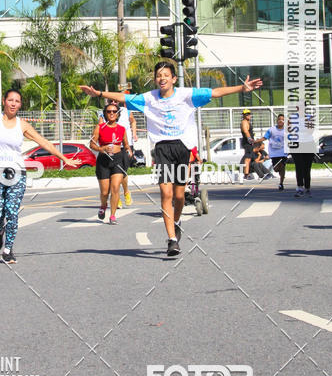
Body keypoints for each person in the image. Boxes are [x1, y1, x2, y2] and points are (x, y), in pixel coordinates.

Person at [81, 62, 262, 257]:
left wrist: (242, 88)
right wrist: (99, 94)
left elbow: (215, 92)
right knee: (165, 194)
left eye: (166, 74)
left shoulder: (187, 95)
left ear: (174, 79)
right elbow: (123, 97)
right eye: (159, 75)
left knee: (179, 197)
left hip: (181, 149)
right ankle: (172, 240)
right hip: (161, 150)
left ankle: (176, 222)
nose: (162, 78)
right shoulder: (148, 98)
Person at [0, 56, 80, 263]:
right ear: (4, 102)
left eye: (17, 101)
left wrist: (63, 158)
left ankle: (8, 250)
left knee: (12, 212)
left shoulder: (23, 125)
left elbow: (45, 143)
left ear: (20, 105)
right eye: (10, 100)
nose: (13, 103)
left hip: (16, 174)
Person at [90, 102, 132, 223]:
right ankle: (103, 206)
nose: (112, 114)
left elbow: (126, 144)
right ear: (105, 114)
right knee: (104, 192)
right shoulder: (100, 128)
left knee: (115, 188)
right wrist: (101, 149)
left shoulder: (122, 129)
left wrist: (129, 150)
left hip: (117, 160)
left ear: (118, 114)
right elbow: (92, 144)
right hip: (103, 161)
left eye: (114, 112)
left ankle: (112, 215)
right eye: (109, 112)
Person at [97, 105, 137, 206]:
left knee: (122, 172)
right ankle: (116, 197)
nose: (112, 113)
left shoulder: (126, 111)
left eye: (114, 111)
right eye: (111, 101)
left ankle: (126, 191)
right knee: (110, 175)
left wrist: (134, 134)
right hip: (108, 148)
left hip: (124, 146)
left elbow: (133, 121)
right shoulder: (104, 113)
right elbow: (100, 127)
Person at [264, 114, 287, 189]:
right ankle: (280, 170)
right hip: (274, 153)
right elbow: (265, 137)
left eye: (283, 119)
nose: (281, 120)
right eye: (279, 119)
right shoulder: (271, 130)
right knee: (276, 169)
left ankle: (281, 183)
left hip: (283, 153)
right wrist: (256, 141)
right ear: (277, 120)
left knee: (282, 167)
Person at [241, 109, 264, 179]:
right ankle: (246, 174)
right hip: (248, 142)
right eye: (246, 114)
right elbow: (245, 131)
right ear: (244, 115)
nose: (248, 115)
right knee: (247, 159)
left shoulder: (248, 122)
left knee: (249, 158)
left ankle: (247, 174)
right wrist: (250, 139)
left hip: (249, 142)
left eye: (249, 114)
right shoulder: (244, 122)